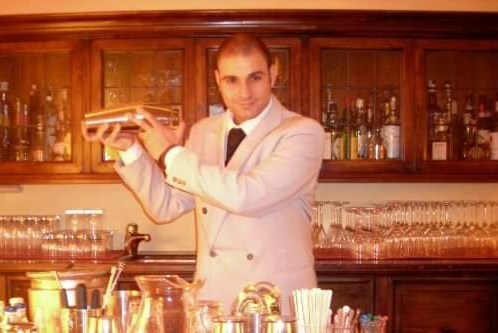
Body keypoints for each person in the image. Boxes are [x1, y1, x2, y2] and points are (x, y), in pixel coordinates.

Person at [82, 33, 324, 314]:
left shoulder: (302, 132)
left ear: (272, 73)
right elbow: (165, 207)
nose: (245, 93)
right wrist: (131, 149)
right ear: (218, 80)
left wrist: (170, 154)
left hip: (275, 303)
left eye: (255, 78)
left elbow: (247, 196)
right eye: (232, 80)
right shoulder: (203, 131)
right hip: (213, 301)